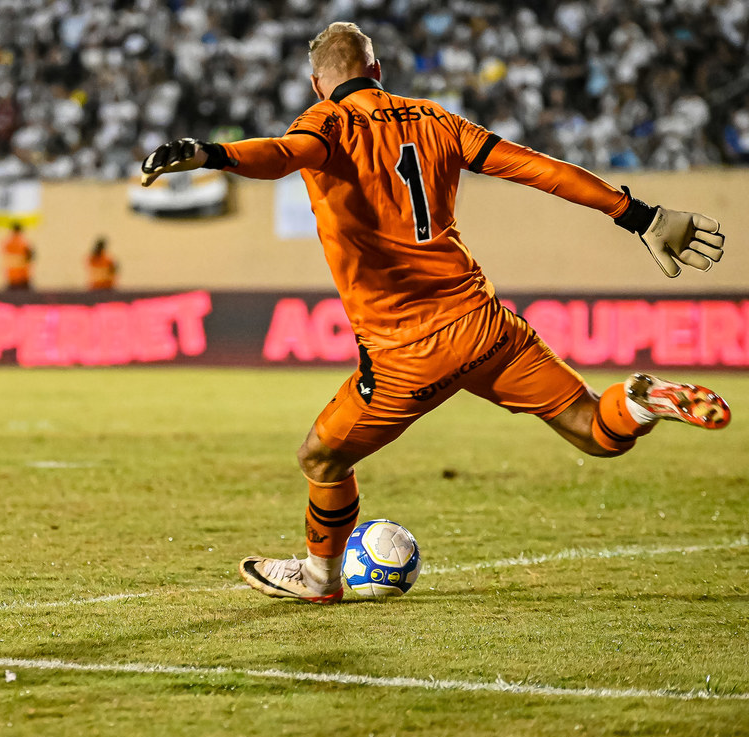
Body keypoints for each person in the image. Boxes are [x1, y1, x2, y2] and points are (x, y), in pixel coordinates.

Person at [140, 22, 729, 604]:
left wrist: (211, 153)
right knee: (596, 430)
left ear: (318, 83)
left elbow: (280, 154)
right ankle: (642, 400)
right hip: (485, 325)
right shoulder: (437, 120)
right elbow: (535, 167)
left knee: (321, 458)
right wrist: (638, 215)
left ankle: (320, 577)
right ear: (377, 70)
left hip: (407, 351)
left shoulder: (325, 122)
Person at [2, 222, 34, 291]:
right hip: (23, 277)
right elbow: (30, 257)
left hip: (11, 277)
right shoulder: (25, 243)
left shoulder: (7, 243)